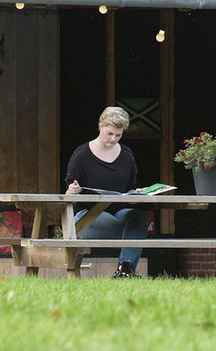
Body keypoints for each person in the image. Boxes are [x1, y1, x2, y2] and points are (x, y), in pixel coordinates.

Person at [64, 105, 151, 277]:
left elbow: (129, 189)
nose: (113, 139)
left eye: (118, 135)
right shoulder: (82, 154)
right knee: (133, 230)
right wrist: (72, 191)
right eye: (109, 133)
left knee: (140, 217)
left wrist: (137, 192)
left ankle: (125, 270)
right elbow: (67, 193)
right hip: (87, 215)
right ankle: (125, 271)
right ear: (100, 126)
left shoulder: (126, 155)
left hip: (119, 211)